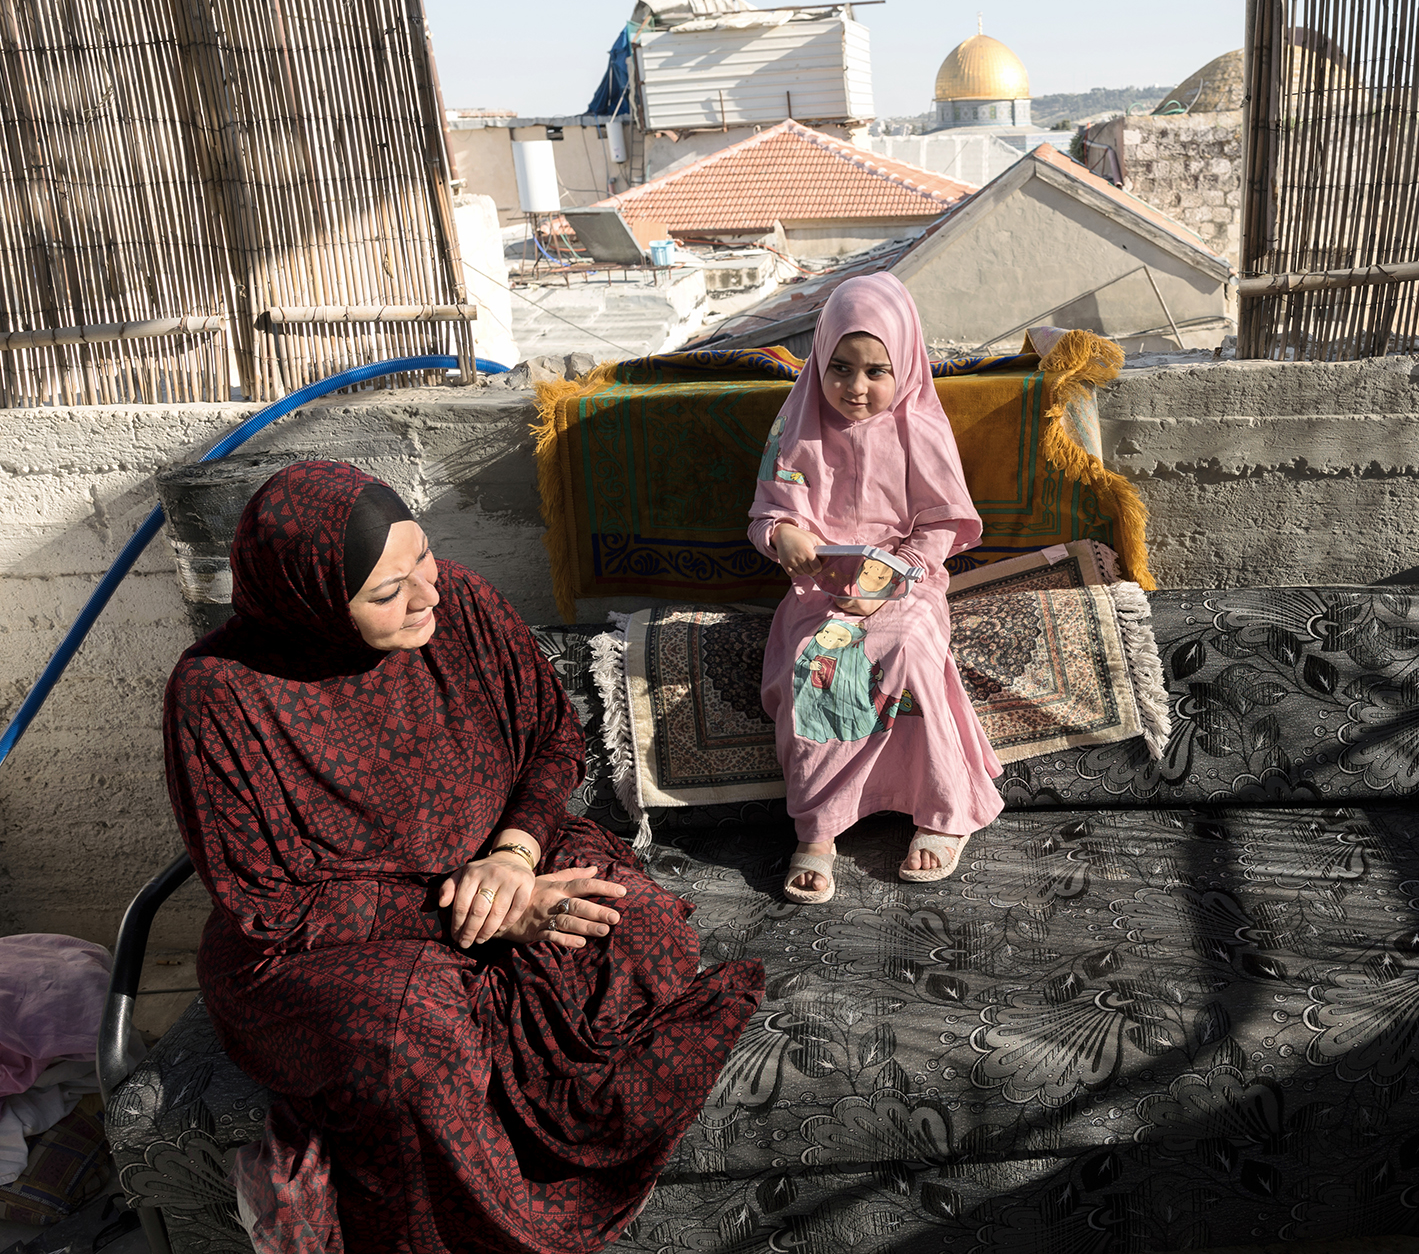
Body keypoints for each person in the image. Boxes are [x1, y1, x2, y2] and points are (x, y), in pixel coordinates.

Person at [162, 460, 763, 1253]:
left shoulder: (464, 606)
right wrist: (485, 910)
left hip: (508, 867)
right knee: (412, 1036)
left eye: (425, 562)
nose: (427, 597)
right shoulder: (220, 694)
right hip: (326, 943)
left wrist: (514, 857)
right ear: (309, 601)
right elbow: (276, 903)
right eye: (388, 593)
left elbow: (551, 736)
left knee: (640, 930)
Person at [747, 272, 1004, 904]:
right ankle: (818, 826)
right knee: (818, 664)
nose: (855, 389)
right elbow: (766, 515)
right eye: (839, 368)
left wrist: (893, 580)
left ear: (906, 364)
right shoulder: (796, 426)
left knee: (909, 649)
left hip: (907, 581)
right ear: (819, 356)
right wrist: (784, 538)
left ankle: (940, 809)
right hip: (820, 592)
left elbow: (944, 523)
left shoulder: (921, 427)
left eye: (875, 371)